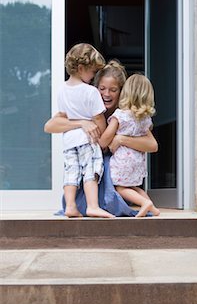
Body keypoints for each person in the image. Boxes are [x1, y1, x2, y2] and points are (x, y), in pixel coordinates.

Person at [44, 59, 158, 216]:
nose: (106, 94)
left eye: (113, 90)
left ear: (122, 91)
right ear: (95, 89)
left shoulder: (124, 113)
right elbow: (50, 125)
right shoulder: (87, 107)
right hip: (92, 162)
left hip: (113, 164)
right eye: (102, 88)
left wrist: (121, 139)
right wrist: (82, 123)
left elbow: (152, 145)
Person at [56, 43, 114, 219]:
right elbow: (98, 119)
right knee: (91, 172)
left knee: (71, 172)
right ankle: (93, 206)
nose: (93, 76)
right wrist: (102, 139)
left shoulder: (62, 90)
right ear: (81, 68)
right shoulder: (90, 92)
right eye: (92, 72)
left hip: (69, 141)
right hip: (88, 139)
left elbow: (64, 116)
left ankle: (71, 206)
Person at [99, 74, 160, 218]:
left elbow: (106, 139)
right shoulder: (145, 119)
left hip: (122, 162)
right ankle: (152, 207)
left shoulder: (120, 115)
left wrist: (102, 141)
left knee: (120, 188)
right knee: (133, 187)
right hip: (138, 161)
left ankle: (145, 204)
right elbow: (147, 137)